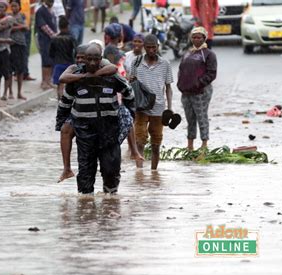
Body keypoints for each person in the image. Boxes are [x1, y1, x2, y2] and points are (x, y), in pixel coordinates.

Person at [56, 45, 135, 194]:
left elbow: (129, 93)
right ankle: (86, 207)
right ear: (84, 59)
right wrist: (61, 124)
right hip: (85, 133)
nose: (92, 63)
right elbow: (65, 103)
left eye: (95, 59)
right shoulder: (75, 78)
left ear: (101, 59)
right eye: (89, 59)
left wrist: (129, 115)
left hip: (109, 132)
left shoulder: (112, 76)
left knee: (111, 171)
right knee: (86, 172)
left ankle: (110, 204)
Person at [130, 34, 173, 170]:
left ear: (158, 47)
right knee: (140, 141)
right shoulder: (136, 62)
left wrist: (170, 108)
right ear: (144, 48)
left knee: (156, 143)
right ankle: (140, 172)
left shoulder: (165, 64)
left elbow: (168, 87)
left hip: (159, 108)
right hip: (141, 108)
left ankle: (154, 172)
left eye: (154, 48)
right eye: (148, 48)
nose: (151, 51)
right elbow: (131, 85)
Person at [177, 27, 217, 150]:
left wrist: (198, 83)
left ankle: (204, 144)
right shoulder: (188, 53)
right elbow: (181, 70)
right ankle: (190, 145)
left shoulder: (209, 54)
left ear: (204, 38)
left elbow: (211, 73)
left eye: (199, 37)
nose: (196, 39)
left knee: (201, 116)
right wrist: (180, 85)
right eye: (194, 37)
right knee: (190, 118)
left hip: (201, 92)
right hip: (186, 91)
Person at [49, 16, 75, 99]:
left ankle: (60, 100)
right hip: (69, 63)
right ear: (67, 26)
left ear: (59, 27)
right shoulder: (71, 38)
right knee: (70, 83)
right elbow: (76, 51)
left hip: (58, 63)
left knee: (59, 84)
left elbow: (51, 53)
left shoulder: (54, 39)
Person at [35, 0, 57, 90]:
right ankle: (44, 82)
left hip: (51, 40)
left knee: (51, 60)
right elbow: (43, 26)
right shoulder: (41, 11)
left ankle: (49, 81)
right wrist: (54, 35)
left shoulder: (51, 10)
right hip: (44, 39)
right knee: (46, 61)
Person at [9, 0, 28, 100]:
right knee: (10, 70)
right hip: (11, 44)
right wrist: (20, 26)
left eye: (15, 6)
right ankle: (10, 92)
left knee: (20, 70)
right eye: (12, 6)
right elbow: (9, 29)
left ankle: (19, 93)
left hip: (21, 44)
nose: (14, 8)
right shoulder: (8, 17)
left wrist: (16, 26)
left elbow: (26, 27)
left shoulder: (22, 16)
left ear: (19, 7)